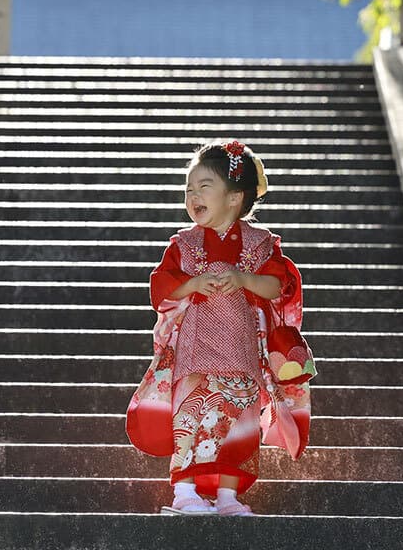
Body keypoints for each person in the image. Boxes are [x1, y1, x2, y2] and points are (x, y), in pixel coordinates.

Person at [126, 140, 312, 517]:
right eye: (189, 189)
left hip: (242, 350)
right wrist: (191, 284)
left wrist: (244, 278)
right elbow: (161, 285)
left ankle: (228, 497)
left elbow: (277, 284)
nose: (193, 195)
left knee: (240, 421)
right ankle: (184, 492)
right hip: (195, 349)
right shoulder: (184, 243)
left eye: (204, 186)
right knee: (190, 416)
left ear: (234, 197)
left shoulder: (261, 243)